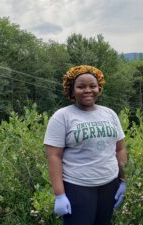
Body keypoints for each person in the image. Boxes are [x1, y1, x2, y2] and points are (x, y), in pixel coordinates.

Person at [44, 65, 127, 225]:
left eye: (92, 86)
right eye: (81, 86)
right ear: (72, 90)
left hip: (109, 185)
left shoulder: (109, 114)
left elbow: (120, 149)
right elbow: (53, 156)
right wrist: (60, 195)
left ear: (99, 88)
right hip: (77, 187)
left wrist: (123, 180)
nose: (88, 90)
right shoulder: (62, 117)